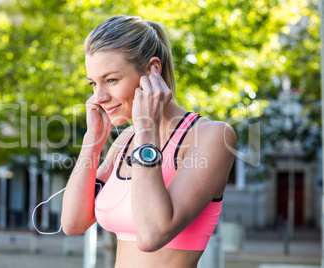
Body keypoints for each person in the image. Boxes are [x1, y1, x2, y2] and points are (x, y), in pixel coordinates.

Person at [61, 15, 236, 267]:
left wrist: (146, 128)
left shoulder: (212, 136)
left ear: (153, 69)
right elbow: (72, 223)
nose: (98, 97)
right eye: (93, 83)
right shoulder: (124, 144)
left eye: (111, 80)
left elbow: (152, 234)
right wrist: (93, 139)